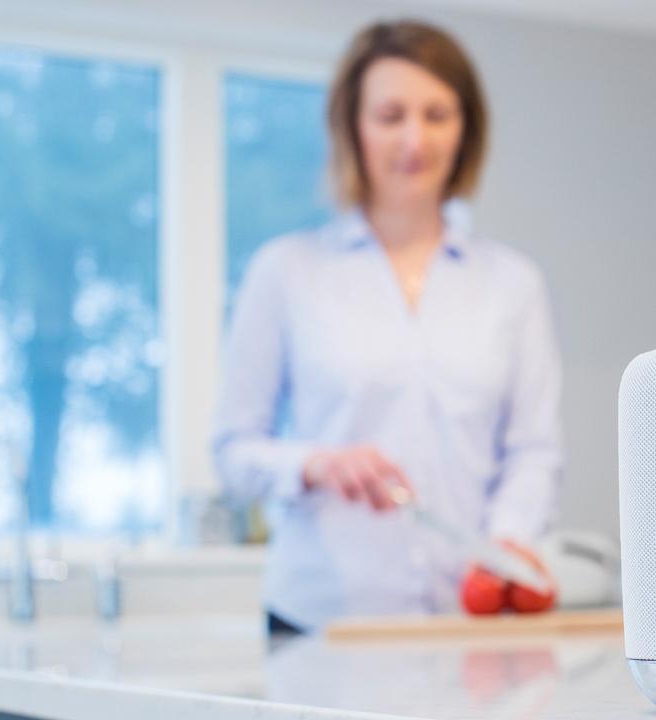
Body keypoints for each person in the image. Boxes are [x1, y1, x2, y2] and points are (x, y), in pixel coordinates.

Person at [212, 19, 563, 634]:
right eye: (391, 114)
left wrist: (505, 549)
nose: (414, 138)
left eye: (437, 114)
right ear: (353, 127)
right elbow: (234, 453)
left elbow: (533, 452)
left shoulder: (514, 283)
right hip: (320, 623)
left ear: (466, 129)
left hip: (468, 626)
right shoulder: (286, 272)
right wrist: (315, 463)